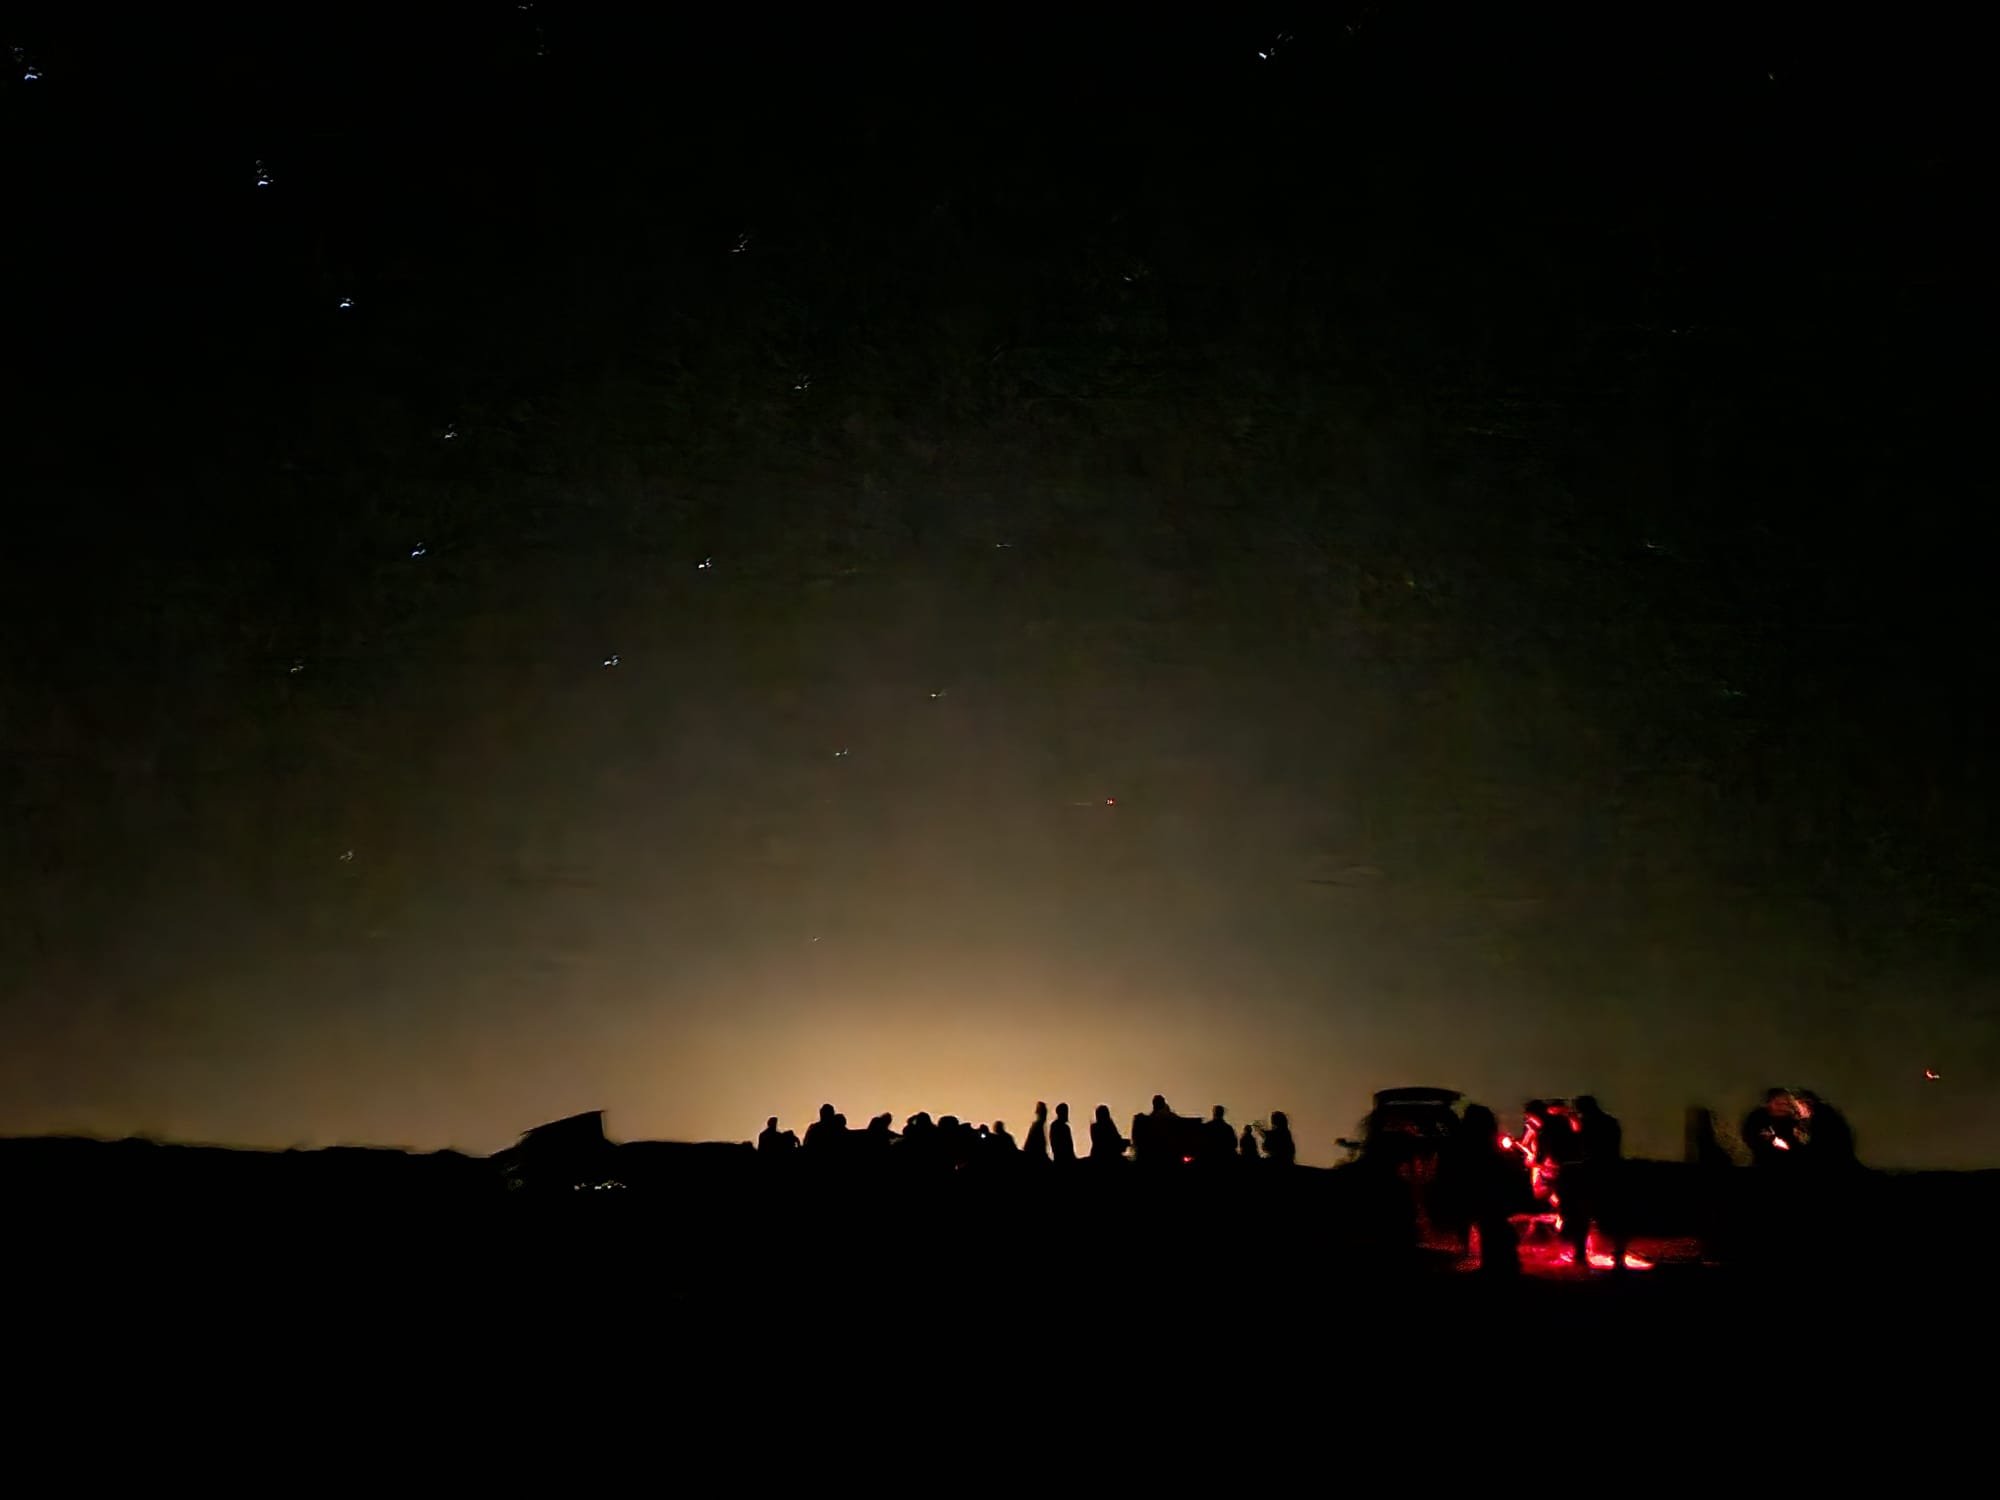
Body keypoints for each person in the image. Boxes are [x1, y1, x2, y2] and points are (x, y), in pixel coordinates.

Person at [1570, 1095, 1626, 1270]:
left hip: (1593, 1171)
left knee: (1583, 1214)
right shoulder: (1611, 1122)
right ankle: (1619, 1255)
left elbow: (1585, 1146)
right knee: (1614, 1215)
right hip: (1612, 1171)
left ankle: (1580, 1254)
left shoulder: (1589, 1124)